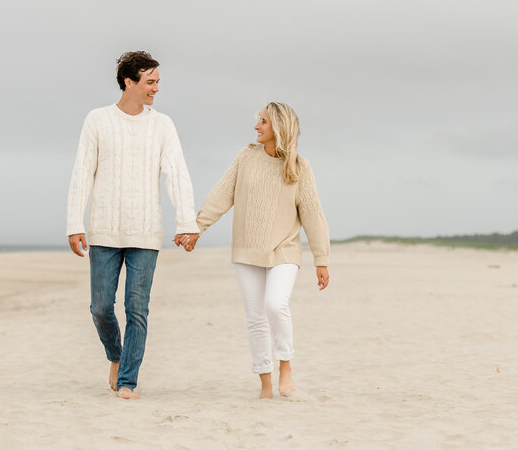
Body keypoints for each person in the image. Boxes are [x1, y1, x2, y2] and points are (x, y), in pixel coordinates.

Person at [66, 51, 200, 400]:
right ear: (129, 82)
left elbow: (177, 173)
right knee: (100, 308)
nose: (156, 88)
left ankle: (127, 381)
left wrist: (187, 221)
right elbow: (82, 172)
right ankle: (116, 354)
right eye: (150, 81)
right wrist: (74, 222)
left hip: (145, 231)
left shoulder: (162, 125)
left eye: (157, 82)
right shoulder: (97, 120)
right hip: (104, 229)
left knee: (137, 309)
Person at [178, 102, 329, 398]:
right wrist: (197, 228)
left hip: (284, 250)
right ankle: (266, 384)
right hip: (247, 250)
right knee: (256, 317)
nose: (256, 126)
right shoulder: (246, 157)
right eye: (258, 120)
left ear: (279, 128)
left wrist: (321, 259)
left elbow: (313, 214)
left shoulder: (300, 167)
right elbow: (222, 194)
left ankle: (285, 366)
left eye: (263, 121)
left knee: (275, 305)